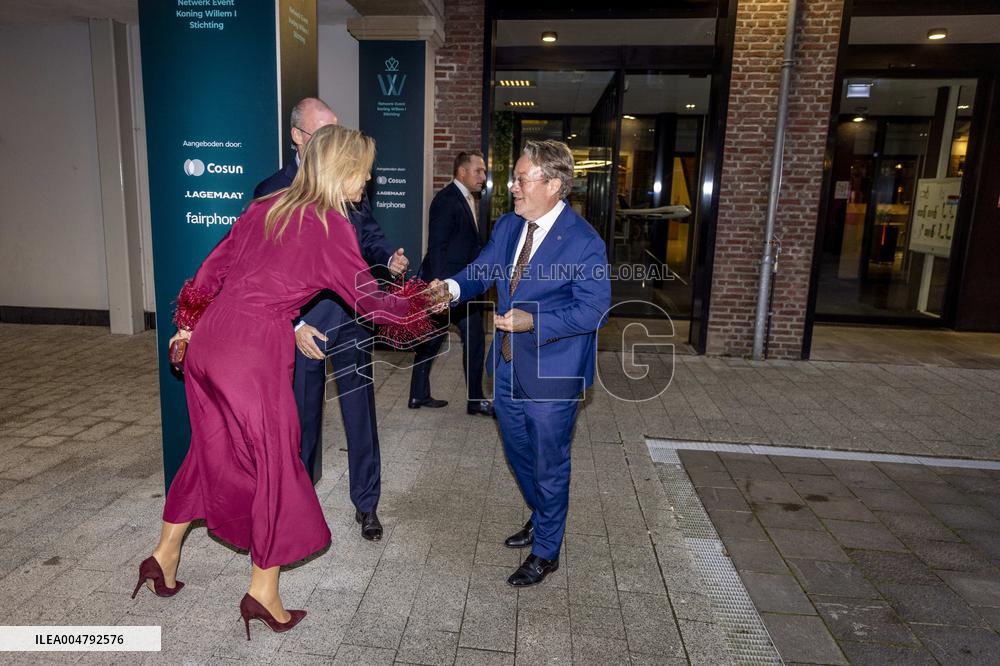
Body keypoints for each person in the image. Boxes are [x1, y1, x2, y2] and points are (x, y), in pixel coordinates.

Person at [135, 125, 423, 638]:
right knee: (276, 464)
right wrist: (428, 300)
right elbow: (374, 305)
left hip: (210, 342)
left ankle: (163, 555)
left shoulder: (265, 206)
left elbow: (207, 272)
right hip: (253, 351)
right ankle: (263, 592)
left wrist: (185, 328)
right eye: (365, 169)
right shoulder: (332, 227)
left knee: (209, 450)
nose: (370, 178)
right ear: (343, 170)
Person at [433, 140, 610, 586]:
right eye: (513, 177)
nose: (511, 185)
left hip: (554, 371)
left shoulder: (585, 242)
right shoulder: (511, 226)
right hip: (508, 367)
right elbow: (481, 269)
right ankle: (543, 514)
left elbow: (594, 311)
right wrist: (450, 290)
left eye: (521, 178)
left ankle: (547, 550)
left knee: (550, 462)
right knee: (519, 453)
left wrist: (536, 321)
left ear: (553, 185)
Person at [255, 98, 408, 541]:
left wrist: (387, 259)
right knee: (301, 421)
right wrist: (293, 326)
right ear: (298, 138)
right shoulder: (272, 191)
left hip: (352, 318)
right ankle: (297, 508)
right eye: (324, 132)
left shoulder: (346, 183)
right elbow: (263, 274)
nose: (336, 142)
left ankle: (367, 504)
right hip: (305, 326)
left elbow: (369, 234)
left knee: (361, 413)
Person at [409, 151, 493, 416]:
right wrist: (440, 289)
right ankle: (474, 399)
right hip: (449, 286)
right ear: (462, 172)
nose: (483, 176)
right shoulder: (447, 200)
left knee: (435, 340)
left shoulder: (465, 199)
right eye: (478, 170)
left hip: (457, 286)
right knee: (470, 339)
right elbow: (437, 247)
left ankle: (419, 395)